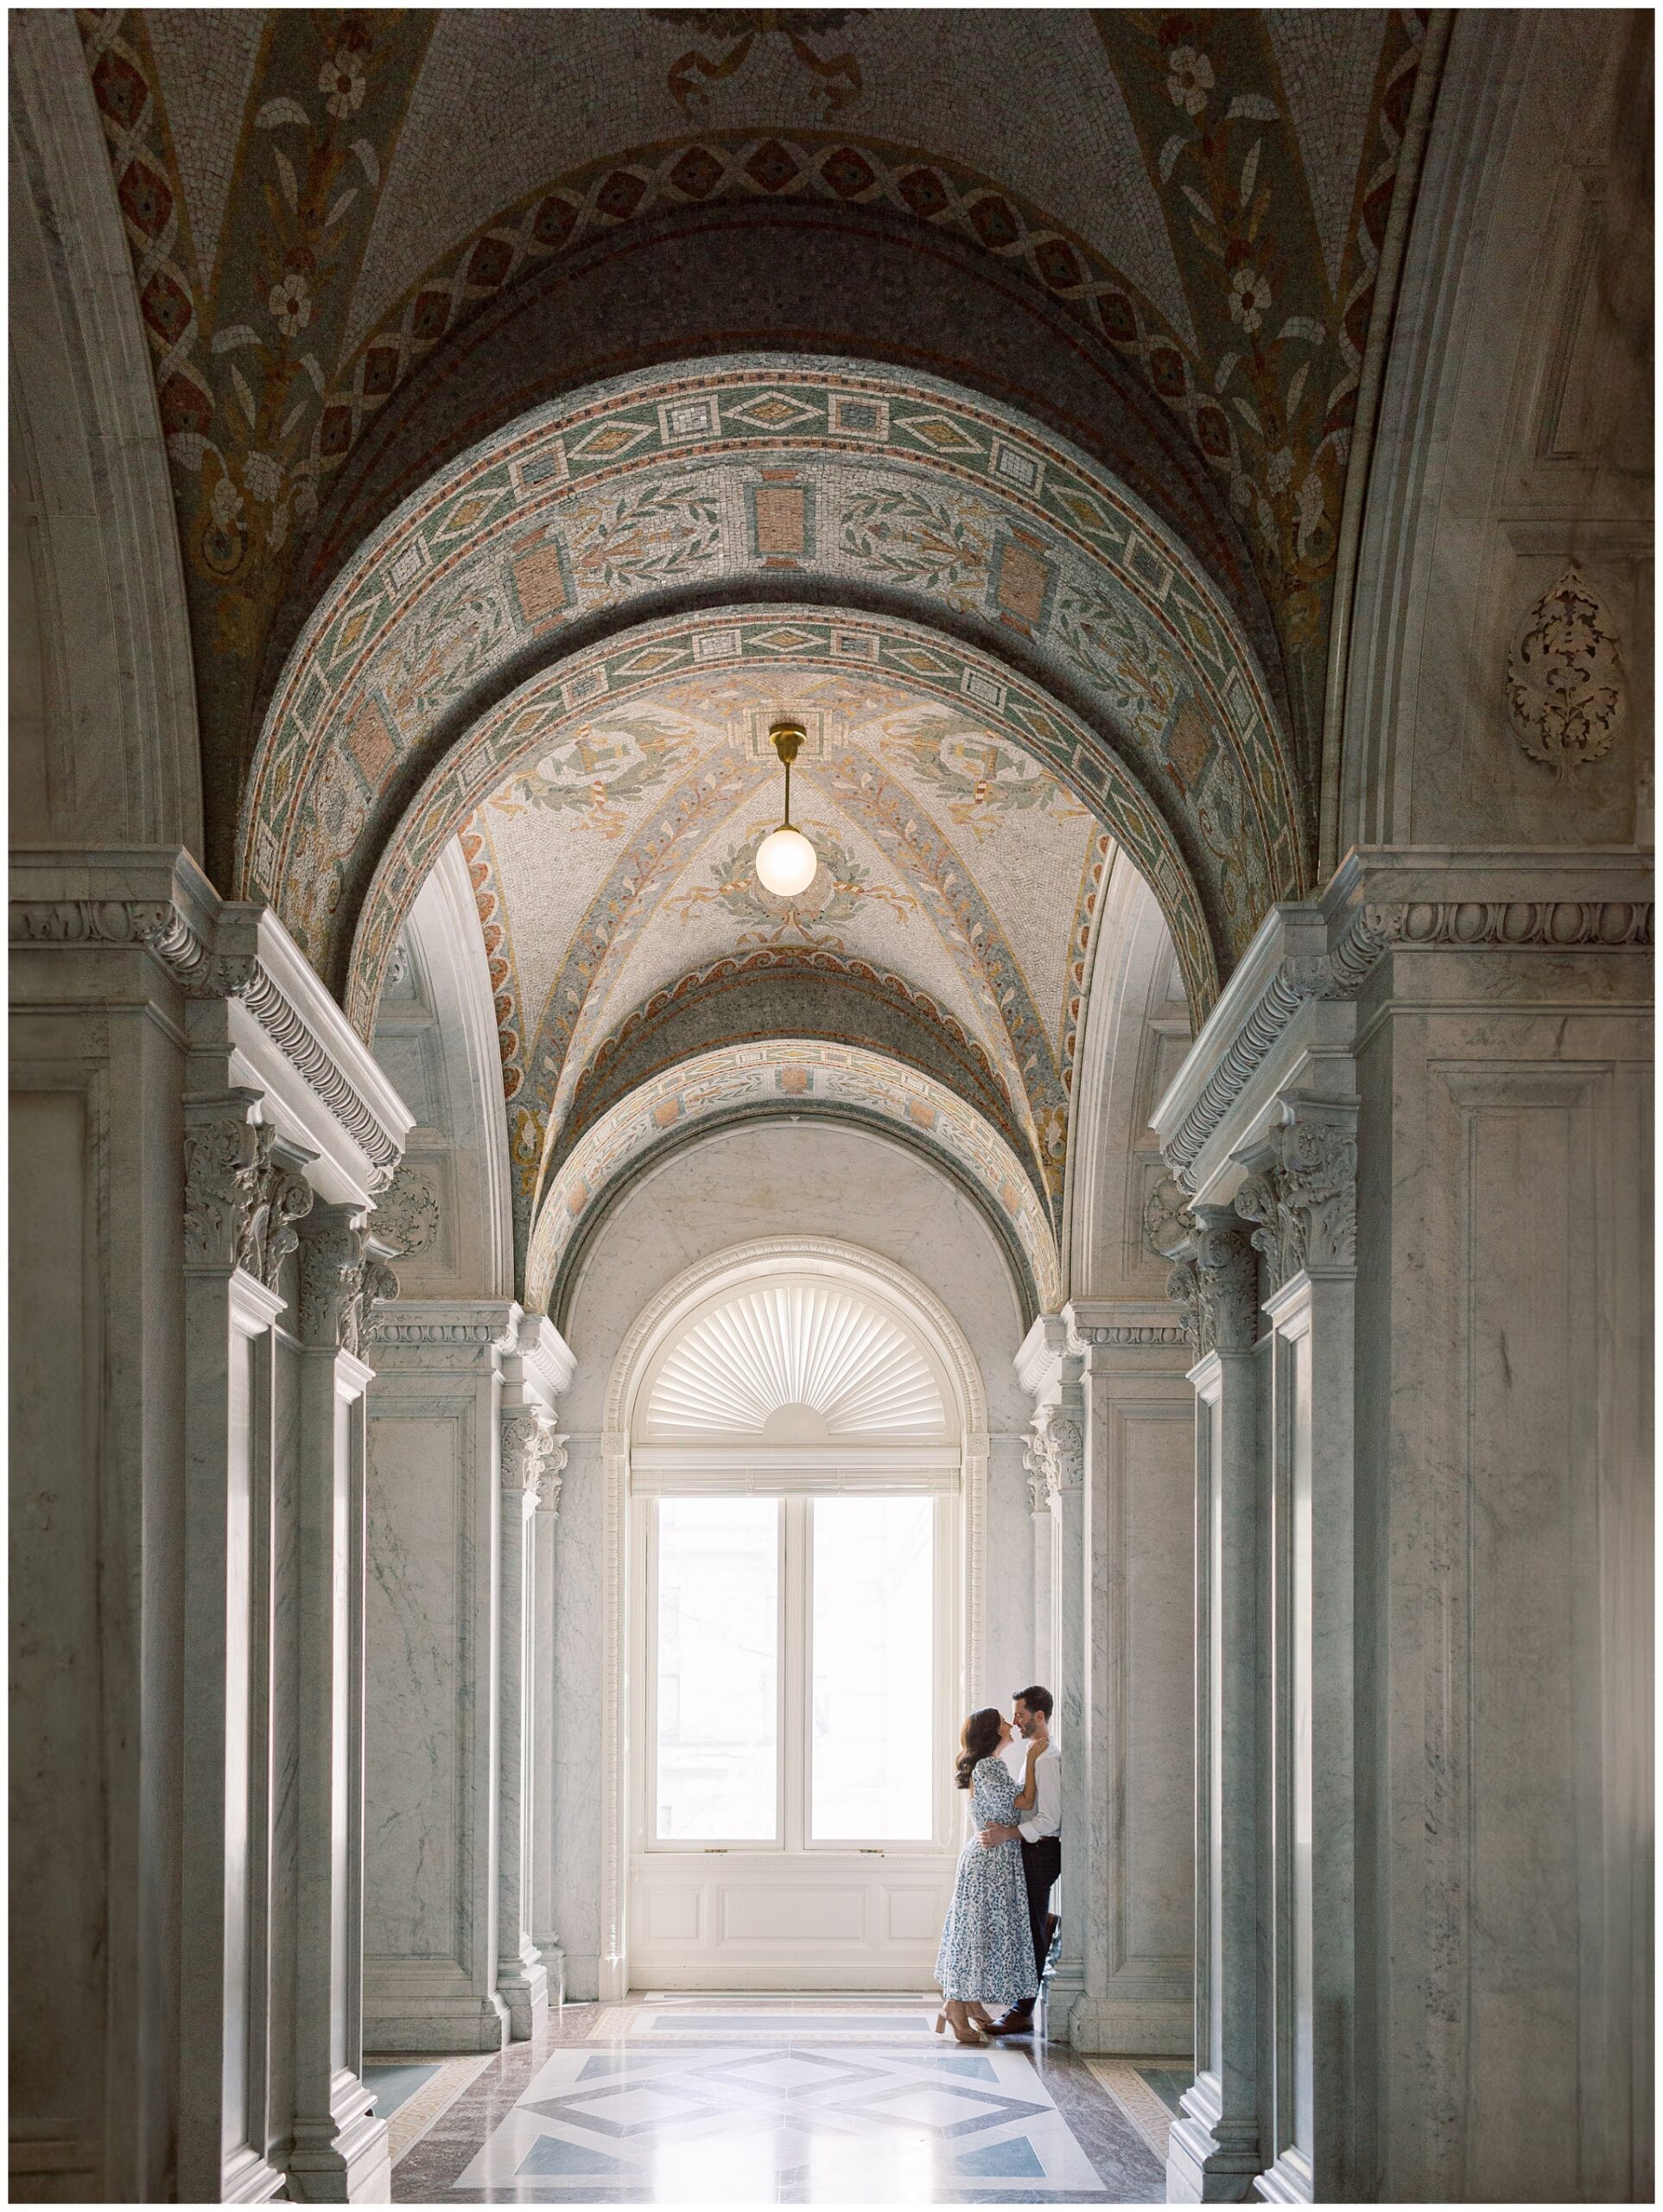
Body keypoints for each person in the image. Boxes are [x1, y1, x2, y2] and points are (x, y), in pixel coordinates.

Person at [931, 1707, 1042, 2044]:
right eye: (1003, 1722)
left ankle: (968, 2002)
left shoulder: (988, 1766)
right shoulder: (989, 1766)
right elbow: (1023, 1802)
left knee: (976, 1932)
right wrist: (1034, 1758)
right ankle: (956, 2007)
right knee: (975, 1935)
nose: (1010, 1725)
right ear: (993, 1733)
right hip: (989, 1863)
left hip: (991, 1860)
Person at [977, 1685, 1060, 2037]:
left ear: (1039, 1716)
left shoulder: (1047, 1758)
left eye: (1020, 1715)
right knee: (1028, 1925)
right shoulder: (1033, 1753)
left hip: (1041, 1851)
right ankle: (1048, 1924)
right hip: (1030, 1850)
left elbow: (1050, 1820)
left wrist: (1007, 1833)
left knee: (1030, 1930)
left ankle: (1022, 2011)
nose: (1015, 1721)